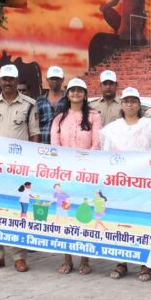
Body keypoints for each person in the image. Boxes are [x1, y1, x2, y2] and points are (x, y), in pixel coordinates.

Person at [0, 63, 41, 272]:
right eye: (4, 79)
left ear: (17, 82)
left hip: (19, 168)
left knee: (18, 210)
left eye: (11, 79)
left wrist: (31, 164)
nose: (7, 83)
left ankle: (19, 256)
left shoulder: (29, 104)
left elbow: (34, 134)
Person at [100, 87, 151, 281]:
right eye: (126, 101)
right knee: (120, 222)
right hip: (120, 184)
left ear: (138, 104)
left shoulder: (148, 125)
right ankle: (122, 262)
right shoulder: (113, 128)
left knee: (144, 223)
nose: (129, 104)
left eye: (133, 101)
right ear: (121, 104)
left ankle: (145, 264)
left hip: (143, 183)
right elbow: (106, 155)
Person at [50, 78, 102, 275]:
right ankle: (67, 259)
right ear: (68, 94)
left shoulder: (94, 117)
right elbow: (55, 146)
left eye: (80, 90)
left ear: (85, 94)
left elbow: (96, 144)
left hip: (86, 174)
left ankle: (84, 259)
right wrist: (66, 166)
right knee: (65, 216)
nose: (76, 93)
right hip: (65, 173)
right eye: (73, 90)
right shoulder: (60, 118)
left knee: (83, 215)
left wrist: (84, 166)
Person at [36, 66, 66, 144]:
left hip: (64, 146)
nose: (54, 81)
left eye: (57, 78)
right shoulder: (39, 102)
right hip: (43, 146)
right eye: (52, 78)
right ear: (47, 80)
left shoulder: (69, 100)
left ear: (62, 79)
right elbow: (35, 126)